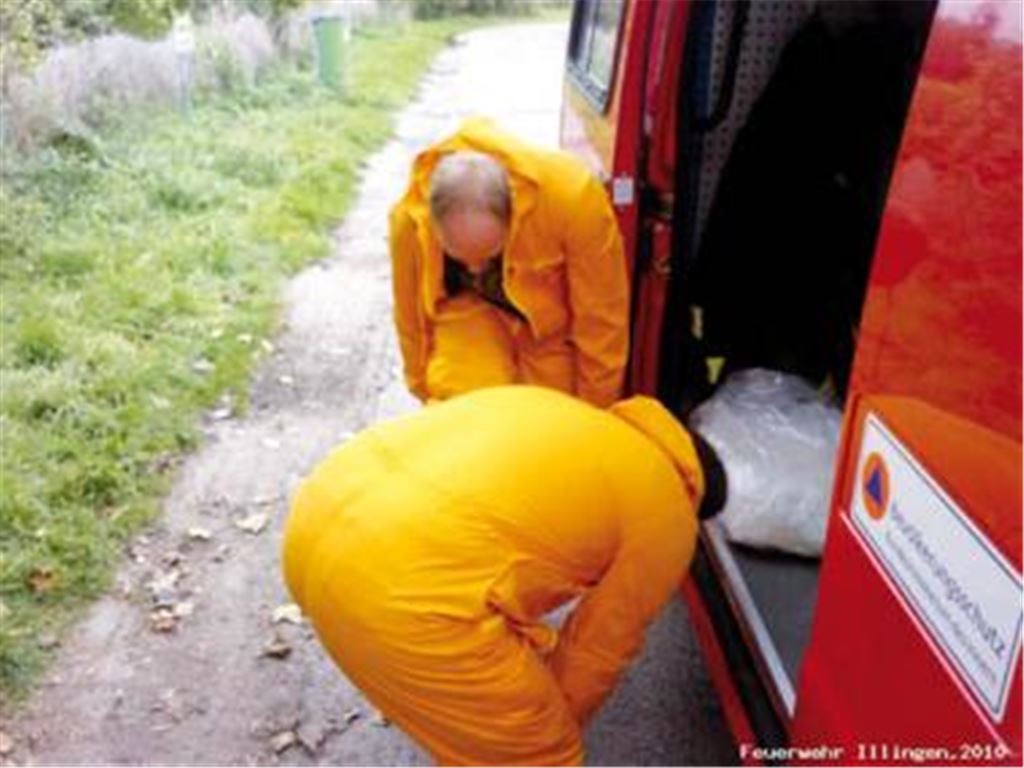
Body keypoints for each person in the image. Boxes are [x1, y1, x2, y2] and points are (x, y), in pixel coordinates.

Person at [282, 386, 725, 766]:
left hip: (316, 516)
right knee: (538, 754)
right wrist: (543, 732)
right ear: (696, 494)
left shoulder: (573, 413)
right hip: (395, 590)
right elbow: (600, 645)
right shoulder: (669, 511)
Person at [389, 117, 629, 408]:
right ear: (433, 225)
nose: (475, 271)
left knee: (555, 417)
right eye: (458, 258)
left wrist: (594, 415)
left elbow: (601, 322)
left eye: (490, 255)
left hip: (551, 334)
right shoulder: (410, 223)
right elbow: (411, 322)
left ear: (514, 216)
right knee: (466, 408)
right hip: (467, 323)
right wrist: (427, 397)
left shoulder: (575, 202)